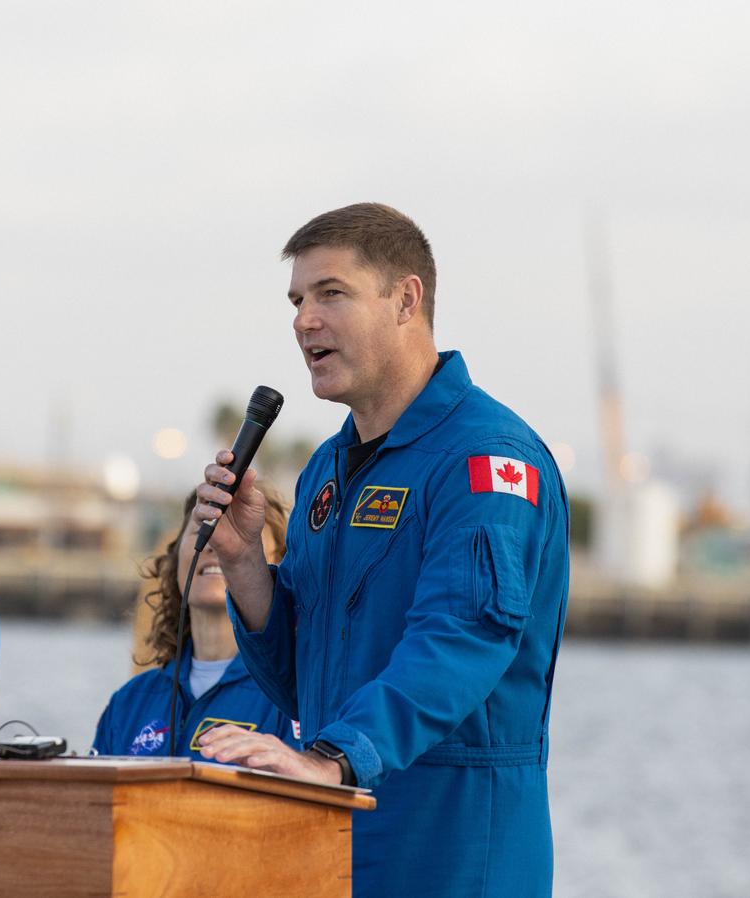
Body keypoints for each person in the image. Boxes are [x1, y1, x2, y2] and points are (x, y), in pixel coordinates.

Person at [194, 203, 570, 897]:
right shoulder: (325, 472)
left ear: (406, 300)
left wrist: (335, 758)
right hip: (337, 850)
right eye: (297, 300)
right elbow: (305, 680)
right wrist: (246, 561)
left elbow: (460, 641)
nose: (305, 319)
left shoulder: (486, 460)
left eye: (331, 293)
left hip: (454, 857)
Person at [92, 487, 300, 759]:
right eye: (204, 527)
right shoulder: (130, 701)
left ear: (280, 564)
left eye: (242, 534)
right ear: (175, 557)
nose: (218, 542)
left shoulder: (296, 698)